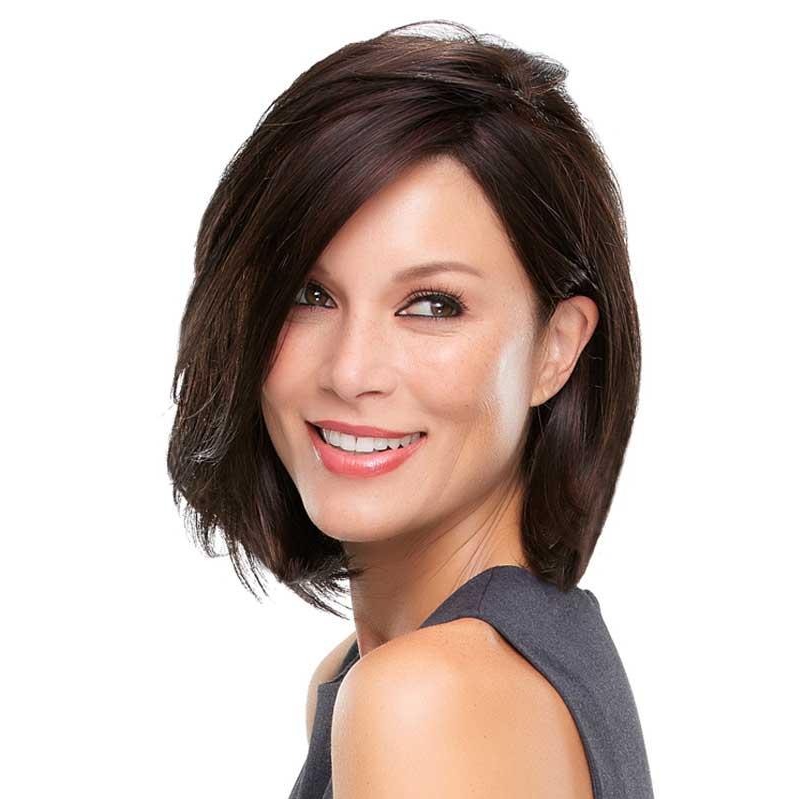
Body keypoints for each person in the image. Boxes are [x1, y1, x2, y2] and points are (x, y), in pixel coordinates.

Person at [167, 19, 655, 799]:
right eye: (309, 294)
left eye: (432, 304)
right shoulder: (469, 665)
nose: (351, 370)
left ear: (555, 348)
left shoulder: (422, 701)